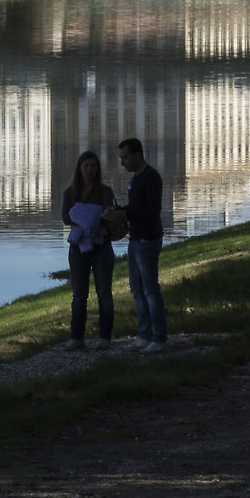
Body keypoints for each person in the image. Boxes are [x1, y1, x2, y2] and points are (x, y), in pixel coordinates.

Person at [61, 151, 117, 348]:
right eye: (86, 166)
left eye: (93, 166)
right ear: (80, 169)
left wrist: (82, 215)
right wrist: (92, 217)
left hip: (102, 245)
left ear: (98, 169)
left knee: (104, 292)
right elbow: (66, 218)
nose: (90, 170)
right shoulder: (70, 192)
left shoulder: (105, 191)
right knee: (79, 295)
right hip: (78, 246)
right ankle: (77, 338)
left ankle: (105, 337)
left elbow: (108, 215)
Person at [118, 137, 167, 350]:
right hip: (135, 239)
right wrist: (119, 211)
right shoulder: (135, 179)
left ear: (137, 155)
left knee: (150, 290)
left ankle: (159, 337)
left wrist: (126, 214)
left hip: (148, 239)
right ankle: (144, 334)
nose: (122, 162)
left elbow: (152, 210)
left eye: (125, 157)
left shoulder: (151, 177)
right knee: (136, 289)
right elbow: (135, 206)